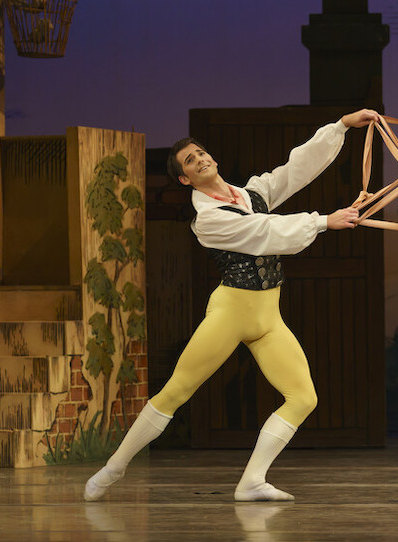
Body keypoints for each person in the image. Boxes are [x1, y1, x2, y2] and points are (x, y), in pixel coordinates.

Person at [84, 109, 381, 502]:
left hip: (267, 315)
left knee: (303, 397)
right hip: (231, 313)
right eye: (191, 160)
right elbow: (264, 231)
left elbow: (296, 168)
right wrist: (325, 221)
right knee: (176, 390)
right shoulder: (207, 219)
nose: (201, 158)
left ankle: (252, 481)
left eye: (201, 152)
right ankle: (114, 467)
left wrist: (342, 126)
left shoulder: (250, 193)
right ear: (184, 178)